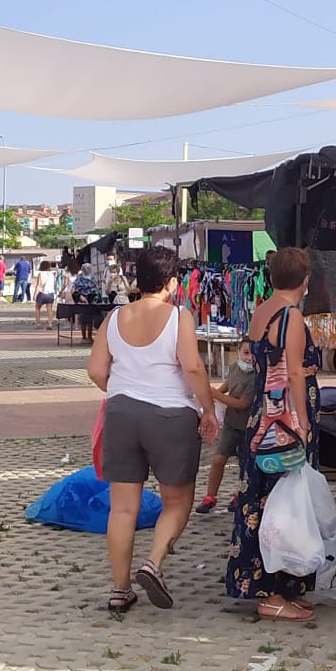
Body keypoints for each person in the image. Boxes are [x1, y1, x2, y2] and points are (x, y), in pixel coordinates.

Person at [87, 243, 216, 613]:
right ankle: (153, 563)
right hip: (171, 416)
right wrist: (208, 409)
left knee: (123, 509)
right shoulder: (179, 317)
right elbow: (192, 367)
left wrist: (123, 391)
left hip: (121, 414)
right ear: (173, 283)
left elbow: (96, 371)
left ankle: (119, 589)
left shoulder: (113, 318)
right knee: (177, 501)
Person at [223, 247, 321, 622]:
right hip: (283, 419)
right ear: (305, 278)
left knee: (267, 500)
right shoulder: (291, 316)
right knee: (284, 503)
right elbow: (293, 372)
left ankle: (282, 586)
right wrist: (302, 421)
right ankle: (271, 591)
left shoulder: (262, 310)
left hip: (262, 417)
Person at [196, 342, 256, 514]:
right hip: (231, 424)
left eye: (252, 354)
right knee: (218, 459)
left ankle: (240, 494)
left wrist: (217, 395)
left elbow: (242, 403)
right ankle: (210, 496)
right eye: (245, 353)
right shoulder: (234, 369)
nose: (249, 358)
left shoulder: (255, 378)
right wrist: (212, 394)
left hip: (248, 426)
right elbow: (226, 386)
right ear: (238, 352)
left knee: (245, 465)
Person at [33, 260, 58, 329]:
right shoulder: (52, 274)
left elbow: (38, 285)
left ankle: (38, 323)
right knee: (49, 309)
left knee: (37, 308)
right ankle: (50, 324)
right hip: (50, 293)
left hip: (42, 293)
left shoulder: (40, 274)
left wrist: (35, 294)